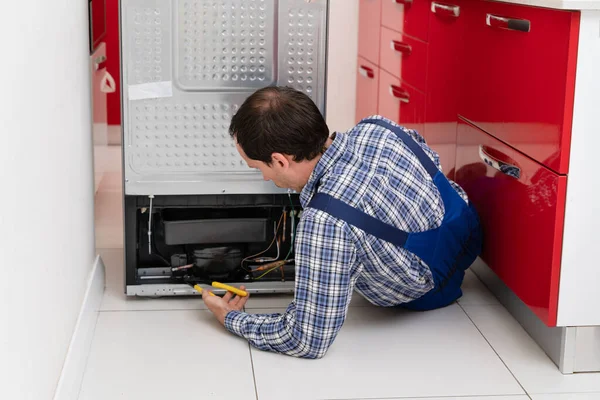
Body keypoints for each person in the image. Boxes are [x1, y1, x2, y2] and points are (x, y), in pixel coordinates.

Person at [201, 86, 482, 359]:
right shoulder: (377, 127)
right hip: (468, 232)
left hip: (429, 290)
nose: (264, 178)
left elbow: (306, 339)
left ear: (279, 160)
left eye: (258, 168)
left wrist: (232, 319)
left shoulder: (325, 218)